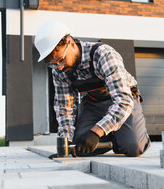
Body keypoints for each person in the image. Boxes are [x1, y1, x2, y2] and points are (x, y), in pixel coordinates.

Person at [34, 20, 151, 157]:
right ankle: (113, 134)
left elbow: (123, 101)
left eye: (61, 60)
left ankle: (124, 136)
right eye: (54, 64)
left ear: (71, 43)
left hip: (123, 102)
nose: (59, 67)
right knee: (80, 148)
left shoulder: (103, 54)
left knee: (133, 147)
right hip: (94, 105)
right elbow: (64, 109)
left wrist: (96, 131)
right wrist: (66, 144)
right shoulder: (59, 71)